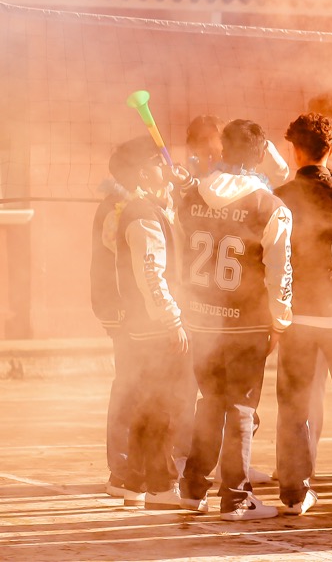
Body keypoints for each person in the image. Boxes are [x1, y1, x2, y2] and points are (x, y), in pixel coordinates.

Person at [177, 119, 293, 521]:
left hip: (202, 320)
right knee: (241, 407)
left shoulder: (189, 195)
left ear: (222, 149)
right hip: (246, 322)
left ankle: (193, 488)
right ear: (260, 156)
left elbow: (178, 258)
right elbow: (280, 271)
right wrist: (280, 321)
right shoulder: (270, 206)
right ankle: (236, 497)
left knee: (210, 401)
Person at [272, 113, 332, 517]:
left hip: (298, 318)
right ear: (331, 148)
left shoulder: (278, 197)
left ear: (295, 151)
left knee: (295, 407)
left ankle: (295, 494)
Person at [106, 138, 199, 511]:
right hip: (155, 326)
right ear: (144, 172)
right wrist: (172, 318)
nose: (167, 166)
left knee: (148, 405)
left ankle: (135, 482)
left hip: (145, 324)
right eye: (159, 163)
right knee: (164, 405)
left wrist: (178, 190)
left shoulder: (149, 208)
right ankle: (161, 486)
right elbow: (151, 274)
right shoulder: (142, 215)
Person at [92, 145, 136, 501]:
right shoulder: (118, 208)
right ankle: (121, 470)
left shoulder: (133, 204)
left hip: (132, 310)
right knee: (129, 385)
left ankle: (136, 465)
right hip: (124, 310)